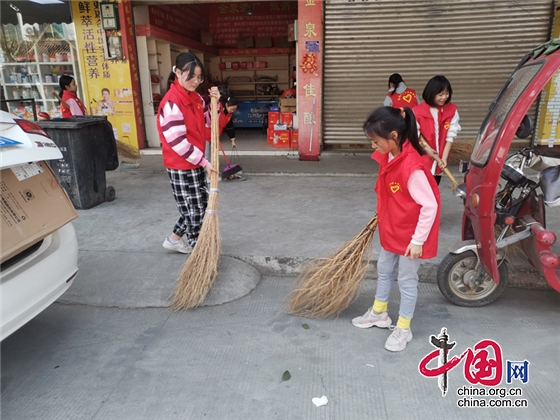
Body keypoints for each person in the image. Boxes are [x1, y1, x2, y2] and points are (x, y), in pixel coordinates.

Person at [352, 106, 440, 352]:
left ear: (393, 136)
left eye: (375, 141)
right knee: (384, 267)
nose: (373, 146)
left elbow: (429, 206)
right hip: (392, 227)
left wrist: (418, 241)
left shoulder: (412, 167)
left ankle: (404, 327)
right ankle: (380, 313)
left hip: (411, 235)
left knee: (407, 279)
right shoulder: (391, 156)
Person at [157, 52, 220, 254]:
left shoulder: (197, 98)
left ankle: (174, 239)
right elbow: (177, 142)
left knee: (196, 205)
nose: (195, 81)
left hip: (195, 161)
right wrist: (204, 162)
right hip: (181, 165)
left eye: (199, 77)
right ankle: (199, 249)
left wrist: (215, 103)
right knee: (195, 210)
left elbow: (209, 123)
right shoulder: (171, 103)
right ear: (177, 73)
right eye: (190, 76)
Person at [413, 75, 461, 184]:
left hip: (439, 162)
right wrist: (426, 150)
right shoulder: (417, 112)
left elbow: (450, 137)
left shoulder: (452, 111)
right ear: (431, 93)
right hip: (422, 160)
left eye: (446, 94)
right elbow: (414, 135)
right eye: (440, 94)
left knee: (434, 190)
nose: (444, 97)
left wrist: (443, 158)